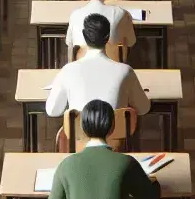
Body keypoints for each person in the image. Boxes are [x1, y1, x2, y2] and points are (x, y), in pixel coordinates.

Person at [44, 14, 151, 150]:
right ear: (107, 37)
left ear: (84, 35)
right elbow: (143, 108)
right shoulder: (125, 71)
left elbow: (53, 110)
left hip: (79, 145)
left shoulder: (68, 70)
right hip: (115, 143)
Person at [65, 0, 137, 54]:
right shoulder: (121, 13)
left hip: (81, 65)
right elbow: (131, 42)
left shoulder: (74, 15)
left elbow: (70, 44)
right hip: (112, 65)